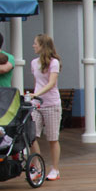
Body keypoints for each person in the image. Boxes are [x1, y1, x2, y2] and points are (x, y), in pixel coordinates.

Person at [26, 34, 63, 181]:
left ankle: (55, 169)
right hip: (37, 105)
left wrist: (36, 94)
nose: (33, 46)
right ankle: (38, 166)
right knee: (31, 136)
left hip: (51, 104)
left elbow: (51, 83)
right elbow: (38, 82)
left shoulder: (54, 62)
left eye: (36, 43)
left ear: (43, 45)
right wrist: (34, 96)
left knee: (53, 138)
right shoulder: (34, 63)